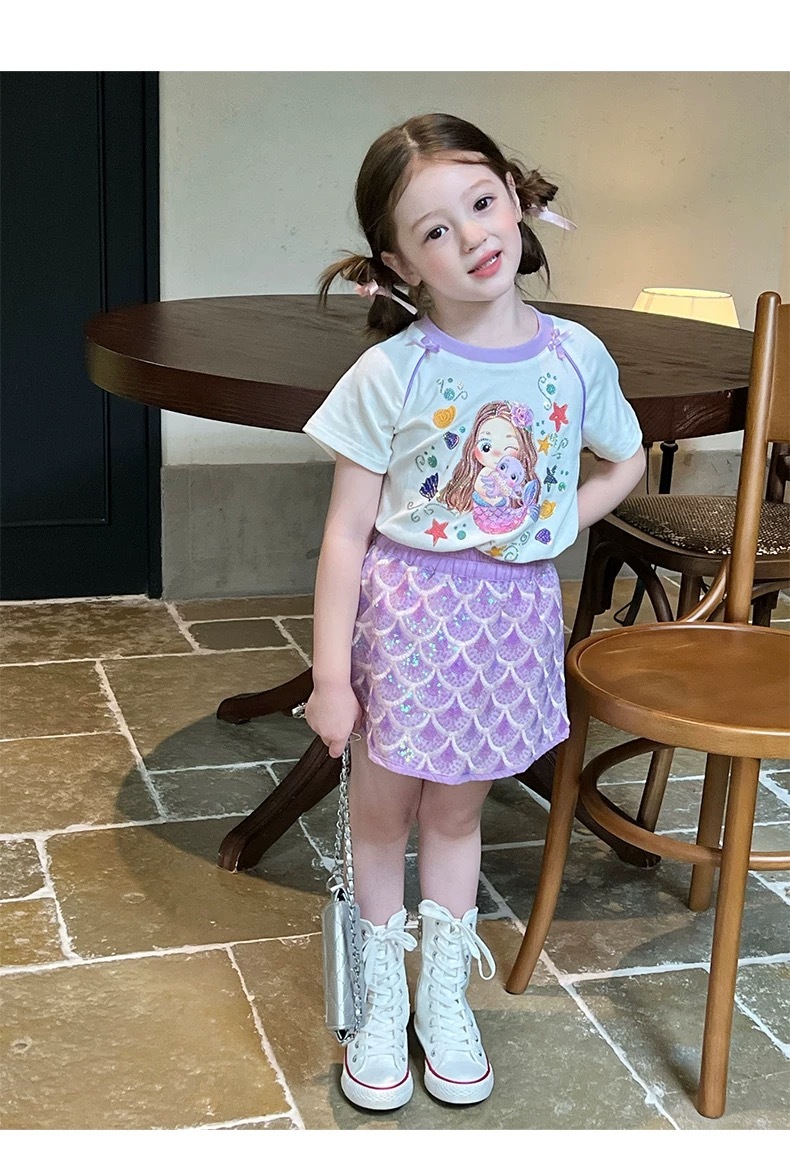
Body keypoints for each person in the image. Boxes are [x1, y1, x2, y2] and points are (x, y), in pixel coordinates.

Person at [302, 112, 646, 1111]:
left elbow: (623, 457)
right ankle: (382, 998)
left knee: (456, 812)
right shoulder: (394, 371)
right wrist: (330, 678)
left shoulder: (575, 356)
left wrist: (557, 520)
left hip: (509, 626)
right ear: (399, 265)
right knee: (382, 812)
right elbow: (344, 535)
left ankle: (441, 996)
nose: (472, 238)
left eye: (482, 204)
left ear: (516, 197)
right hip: (406, 624)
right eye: (435, 231)